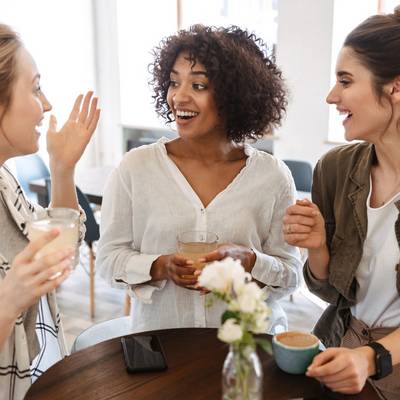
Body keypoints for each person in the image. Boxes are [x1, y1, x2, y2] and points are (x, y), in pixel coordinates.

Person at [97, 25, 301, 335]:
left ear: (234, 95)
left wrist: (250, 261)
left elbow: (290, 275)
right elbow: (108, 260)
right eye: (174, 82)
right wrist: (159, 266)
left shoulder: (272, 177)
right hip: (163, 349)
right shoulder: (136, 168)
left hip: (247, 351)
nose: (179, 96)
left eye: (199, 85)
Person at [283, 7, 400, 399]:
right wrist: (316, 246)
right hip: (342, 352)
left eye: (345, 81)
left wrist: (371, 358)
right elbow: (332, 293)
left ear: (395, 89)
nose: (331, 96)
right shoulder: (336, 169)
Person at [0, 24, 100, 400]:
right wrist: (8, 302)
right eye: (35, 87)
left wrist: (62, 169)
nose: (47, 104)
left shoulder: (5, 182)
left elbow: (60, 260)